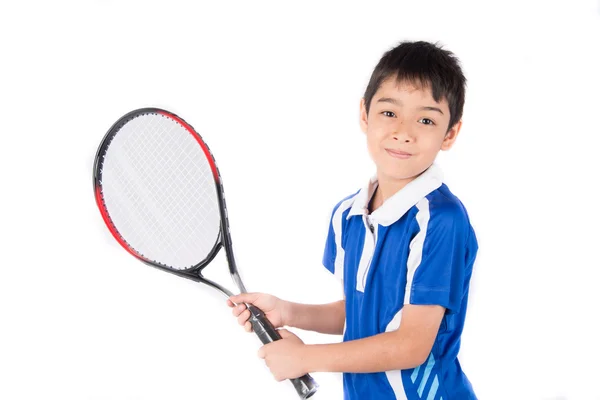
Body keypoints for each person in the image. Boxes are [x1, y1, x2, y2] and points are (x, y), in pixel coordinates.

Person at [227, 40, 479, 399]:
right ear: (364, 114)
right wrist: (287, 311)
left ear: (450, 133)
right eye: (389, 113)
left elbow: (411, 345)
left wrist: (305, 358)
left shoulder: (441, 221)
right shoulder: (347, 215)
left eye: (425, 119)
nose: (403, 131)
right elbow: (358, 316)